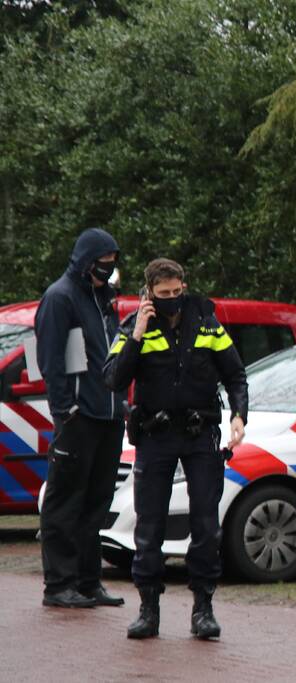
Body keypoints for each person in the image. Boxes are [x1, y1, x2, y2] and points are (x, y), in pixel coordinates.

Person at [104, 258, 247, 640]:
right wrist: (136, 335)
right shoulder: (136, 326)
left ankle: (203, 608)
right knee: (148, 526)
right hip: (155, 435)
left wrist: (238, 416)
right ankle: (149, 608)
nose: (171, 299)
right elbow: (114, 378)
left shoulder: (206, 322)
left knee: (205, 524)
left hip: (201, 435)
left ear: (184, 286)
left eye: (176, 292)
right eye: (163, 294)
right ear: (149, 293)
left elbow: (235, 374)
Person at [36, 227, 127, 609]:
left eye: (112, 267)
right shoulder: (60, 298)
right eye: (102, 267)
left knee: (96, 501)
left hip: (108, 416)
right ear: (86, 262)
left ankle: (89, 581)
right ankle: (59, 585)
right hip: (78, 418)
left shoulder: (105, 300)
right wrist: (64, 410)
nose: (108, 273)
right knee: (65, 501)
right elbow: (51, 360)